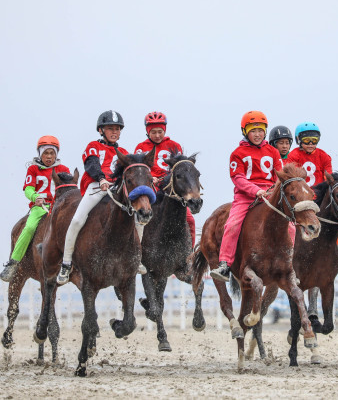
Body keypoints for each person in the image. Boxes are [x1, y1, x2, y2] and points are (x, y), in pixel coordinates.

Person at [57, 110, 146, 285]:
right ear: (101, 130)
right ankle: (66, 263)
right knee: (76, 220)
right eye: (110, 128)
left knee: (140, 219)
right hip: (97, 186)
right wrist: (101, 179)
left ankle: (137, 258)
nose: (114, 132)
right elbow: (92, 165)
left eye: (117, 129)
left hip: (116, 189)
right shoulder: (93, 146)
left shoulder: (124, 152)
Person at [210, 111, 295, 282]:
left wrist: (273, 190)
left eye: (261, 130)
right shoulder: (237, 153)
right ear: (245, 131)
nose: (257, 134)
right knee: (232, 225)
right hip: (246, 197)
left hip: (270, 196)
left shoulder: (272, 151)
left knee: (292, 226)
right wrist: (255, 190)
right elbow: (237, 178)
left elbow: (279, 175)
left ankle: (290, 262)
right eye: (253, 130)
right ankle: (225, 264)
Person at [0, 136, 70, 282]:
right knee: (29, 227)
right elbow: (28, 189)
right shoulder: (33, 169)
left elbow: (69, 188)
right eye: (46, 153)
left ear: (56, 154)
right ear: (40, 154)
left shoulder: (63, 169)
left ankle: (71, 263)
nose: (49, 157)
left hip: (57, 207)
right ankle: (13, 263)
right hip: (40, 207)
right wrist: (35, 197)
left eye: (52, 153)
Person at [134, 111, 196, 248]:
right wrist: (151, 178)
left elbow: (180, 169)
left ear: (165, 130)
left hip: (170, 189)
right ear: (147, 132)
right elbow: (139, 170)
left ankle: (189, 253)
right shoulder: (141, 148)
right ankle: (137, 250)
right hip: (151, 188)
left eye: (160, 132)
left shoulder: (174, 146)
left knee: (190, 219)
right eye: (153, 132)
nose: (157, 135)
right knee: (137, 218)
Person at [287, 122, 332, 187]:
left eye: (314, 140)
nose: (310, 143)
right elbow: (293, 178)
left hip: (320, 193)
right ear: (298, 140)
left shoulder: (324, 156)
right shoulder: (293, 155)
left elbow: (328, 178)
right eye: (306, 140)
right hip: (301, 193)